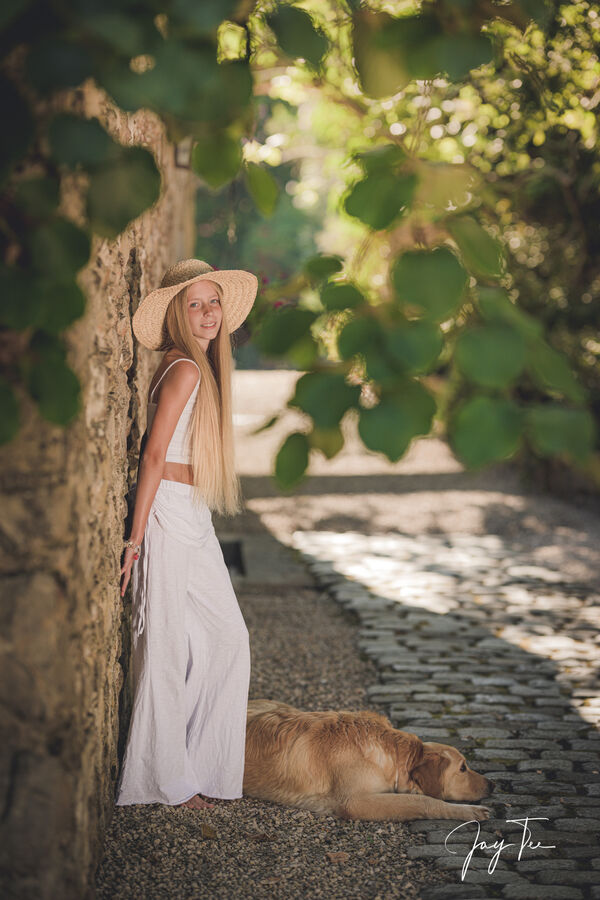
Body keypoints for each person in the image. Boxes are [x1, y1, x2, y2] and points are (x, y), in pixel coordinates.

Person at [115, 258, 258, 810]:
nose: (207, 314)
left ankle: (199, 767)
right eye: (194, 304)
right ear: (177, 314)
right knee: (169, 646)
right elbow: (153, 454)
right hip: (169, 513)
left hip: (191, 513)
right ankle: (163, 781)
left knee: (226, 638)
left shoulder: (195, 367)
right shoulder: (185, 370)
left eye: (213, 303)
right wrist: (133, 539)